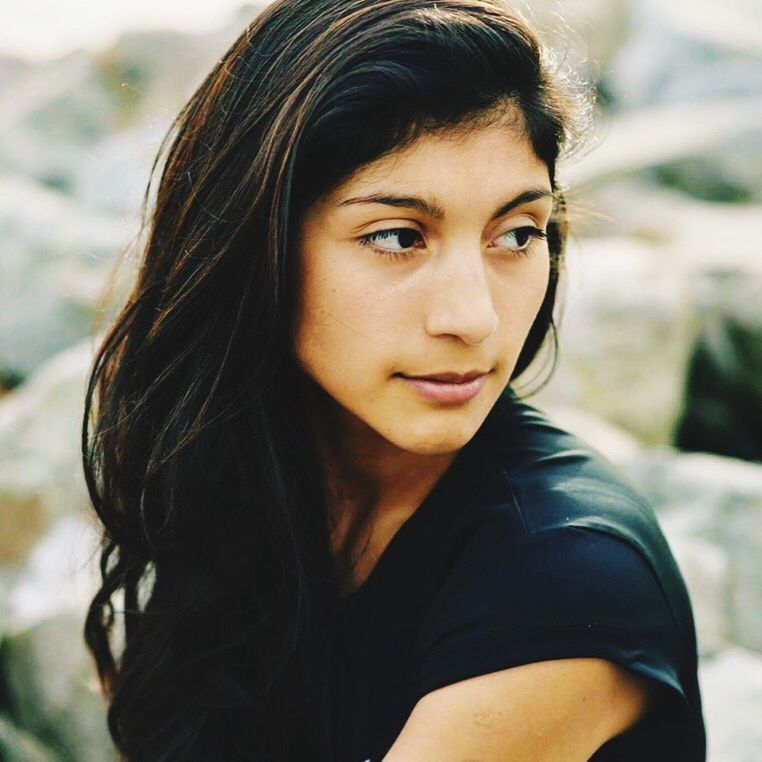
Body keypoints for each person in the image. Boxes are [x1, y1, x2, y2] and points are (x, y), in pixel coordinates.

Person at [81, 0, 707, 759]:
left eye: (517, 234)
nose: (472, 317)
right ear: (257, 245)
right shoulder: (242, 473)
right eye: (399, 237)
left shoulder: (566, 583)